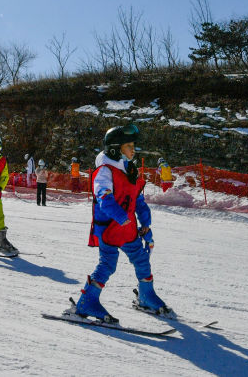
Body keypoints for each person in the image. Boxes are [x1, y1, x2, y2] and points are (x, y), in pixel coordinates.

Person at [74, 124, 174, 323]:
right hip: (110, 228)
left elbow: (138, 199)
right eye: (128, 146)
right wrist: (120, 216)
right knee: (107, 265)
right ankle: (87, 301)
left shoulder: (130, 170)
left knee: (142, 259)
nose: (133, 149)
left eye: (133, 145)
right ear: (115, 148)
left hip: (127, 228)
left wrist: (145, 222)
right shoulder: (105, 171)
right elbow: (103, 197)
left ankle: (146, 296)